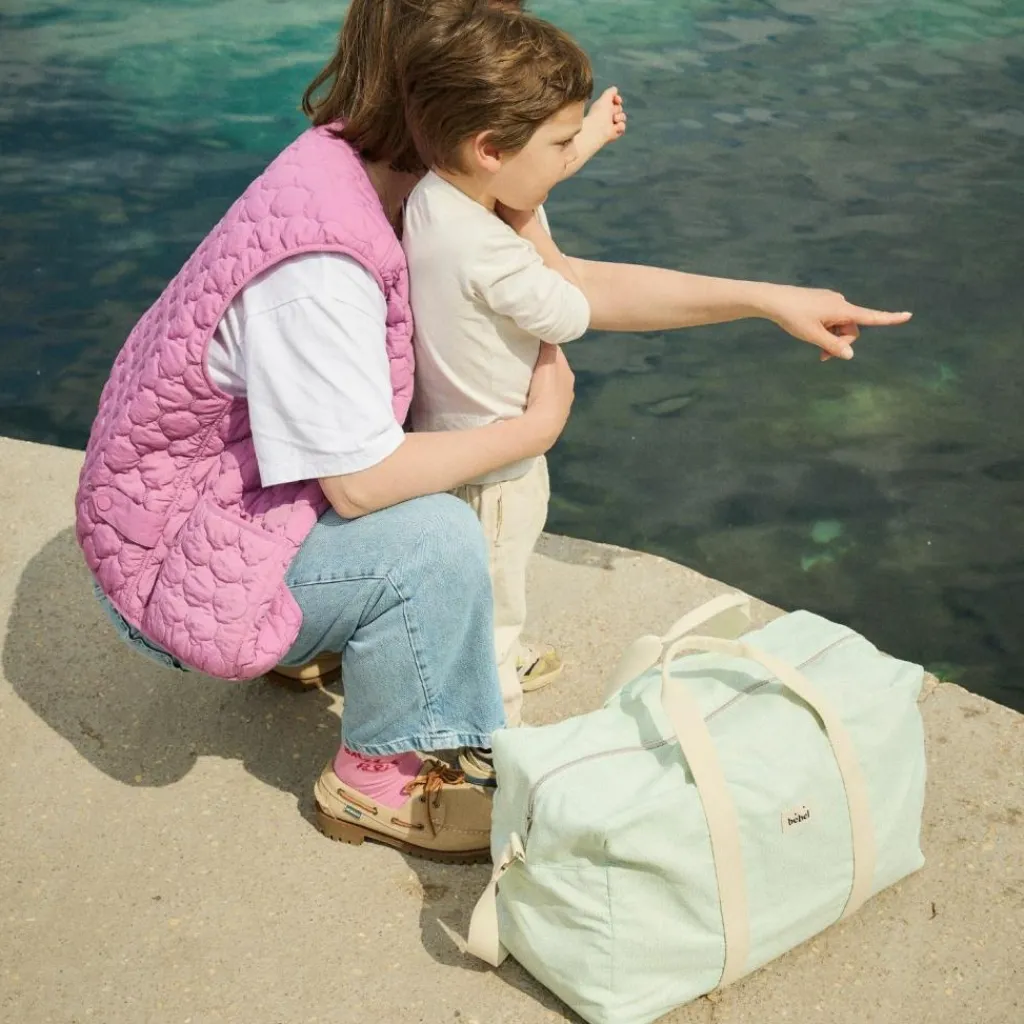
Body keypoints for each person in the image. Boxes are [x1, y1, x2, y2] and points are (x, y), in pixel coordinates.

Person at [76, 0, 911, 866]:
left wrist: (765, 298)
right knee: (438, 541)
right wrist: (533, 428)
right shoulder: (323, 262)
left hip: (228, 501)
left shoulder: (423, 179)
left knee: (434, 513)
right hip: (171, 567)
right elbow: (361, 485)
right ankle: (384, 778)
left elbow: (568, 283)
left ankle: (324, 636)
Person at [402, 8, 605, 757]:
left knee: (473, 591)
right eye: (561, 145)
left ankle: (477, 681)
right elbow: (571, 309)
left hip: (444, 447)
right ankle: (497, 741)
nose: (566, 159)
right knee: (496, 604)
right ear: (490, 149)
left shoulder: (429, 199)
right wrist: (532, 216)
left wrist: (541, 172)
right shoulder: (494, 248)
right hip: (499, 470)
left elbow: (514, 178)